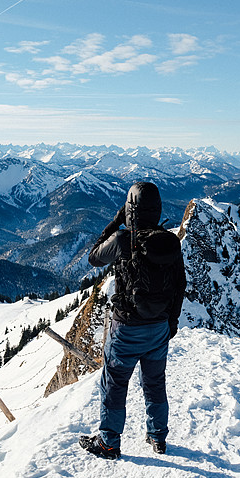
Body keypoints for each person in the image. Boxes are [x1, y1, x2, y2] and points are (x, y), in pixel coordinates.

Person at [79, 182, 186, 459]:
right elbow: (179, 285)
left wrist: (116, 222)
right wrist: (170, 323)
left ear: (130, 210)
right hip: (160, 327)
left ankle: (109, 443)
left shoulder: (124, 240)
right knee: (154, 383)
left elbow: (93, 257)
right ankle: (158, 437)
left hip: (126, 328)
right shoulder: (169, 243)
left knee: (114, 384)